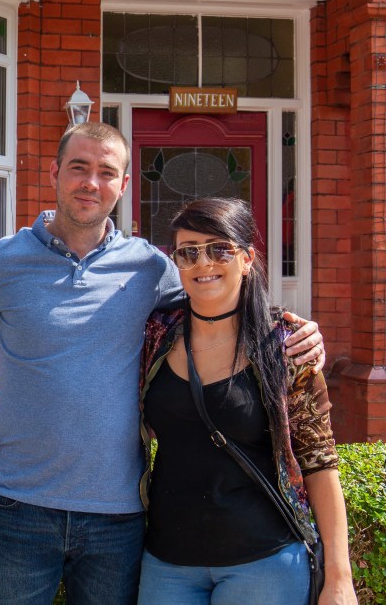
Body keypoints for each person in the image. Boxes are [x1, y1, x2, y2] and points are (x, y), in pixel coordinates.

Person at [0, 122, 325, 605]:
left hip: (118, 518)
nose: (91, 183)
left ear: (123, 184)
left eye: (106, 172)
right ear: (54, 173)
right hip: (19, 505)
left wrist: (290, 328)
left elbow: (218, 297)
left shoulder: (150, 267)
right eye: (79, 168)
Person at [138, 198, 356, 605]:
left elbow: (319, 462)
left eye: (219, 249)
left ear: (247, 259)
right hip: (167, 564)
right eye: (188, 252)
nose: (204, 263)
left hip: (265, 565)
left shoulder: (286, 347)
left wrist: (340, 579)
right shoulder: (155, 336)